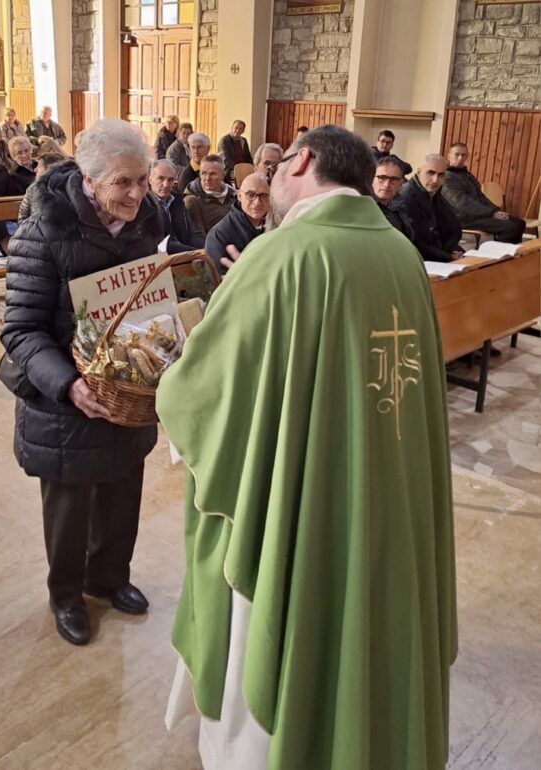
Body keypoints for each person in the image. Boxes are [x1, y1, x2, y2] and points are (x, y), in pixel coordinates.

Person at [157, 125, 457, 770]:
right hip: (385, 487)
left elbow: (205, 387)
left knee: (279, 602)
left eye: (279, 166)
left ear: (303, 163)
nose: (269, 183)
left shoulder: (284, 253)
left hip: (306, 501)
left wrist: (170, 381)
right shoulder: (400, 253)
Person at [1, 119, 162, 646]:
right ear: (89, 181)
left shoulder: (147, 220)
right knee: (69, 510)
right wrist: (69, 384)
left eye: (142, 179)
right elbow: (21, 330)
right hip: (64, 400)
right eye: (123, 182)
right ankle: (67, 594)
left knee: (123, 492)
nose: (137, 193)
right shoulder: (45, 228)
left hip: (126, 391)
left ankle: (109, 577)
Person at [442, 142, 526, 244]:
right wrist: (492, 213)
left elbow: (481, 197)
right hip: (462, 218)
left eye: (463, 155)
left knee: (520, 223)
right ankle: (497, 255)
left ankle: (513, 254)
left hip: (477, 215)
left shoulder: (466, 175)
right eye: (457, 154)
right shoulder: (447, 177)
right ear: (449, 155)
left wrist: (496, 210)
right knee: (510, 227)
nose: (460, 158)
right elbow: (462, 203)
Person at [399, 154, 463, 263]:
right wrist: (446, 256)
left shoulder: (434, 193)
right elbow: (414, 241)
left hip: (442, 251)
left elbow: (454, 226)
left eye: (441, 175)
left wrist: (451, 249)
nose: (435, 180)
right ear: (419, 172)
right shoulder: (406, 197)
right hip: (421, 258)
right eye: (431, 173)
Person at [205, 172, 269, 275]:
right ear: (239, 196)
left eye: (264, 196)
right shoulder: (218, 235)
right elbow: (219, 282)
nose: (257, 202)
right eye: (250, 195)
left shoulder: (276, 227)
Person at [148, 158, 205, 253]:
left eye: (170, 180)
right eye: (160, 178)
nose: (166, 184)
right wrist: (195, 253)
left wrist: (205, 249)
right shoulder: (145, 206)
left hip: (188, 256)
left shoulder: (177, 201)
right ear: (150, 179)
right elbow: (162, 244)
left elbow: (193, 233)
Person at [183, 154, 237, 235]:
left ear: (223, 176)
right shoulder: (192, 201)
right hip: (212, 245)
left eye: (213, 174)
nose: (207, 178)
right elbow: (198, 236)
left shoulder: (233, 195)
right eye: (204, 173)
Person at [372, 157, 415, 242]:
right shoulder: (363, 207)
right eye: (382, 177)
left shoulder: (400, 205)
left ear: (401, 184)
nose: (387, 184)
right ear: (371, 179)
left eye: (394, 179)